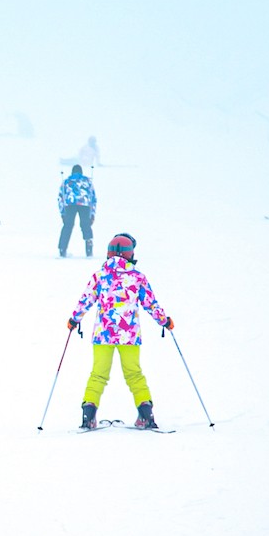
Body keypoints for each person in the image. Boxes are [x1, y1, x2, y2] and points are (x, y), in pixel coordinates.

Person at [67, 234, 172, 430]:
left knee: (98, 374)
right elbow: (151, 303)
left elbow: (86, 300)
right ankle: (146, 415)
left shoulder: (99, 276)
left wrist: (74, 319)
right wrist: (164, 321)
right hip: (129, 335)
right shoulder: (137, 277)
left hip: (103, 334)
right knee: (134, 374)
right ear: (130, 254)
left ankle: (88, 416)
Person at [57, 164, 97, 257]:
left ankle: (62, 248)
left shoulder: (66, 182)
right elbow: (93, 198)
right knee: (85, 225)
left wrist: (62, 213)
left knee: (68, 225)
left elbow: (61, 198)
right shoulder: (87, 181)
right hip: (84, 204)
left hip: (70, 204)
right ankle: (89, 245)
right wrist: (92, 214)